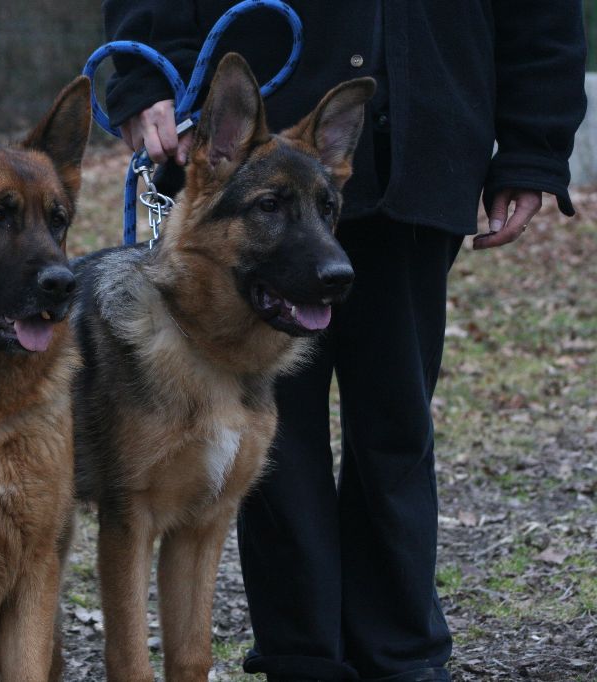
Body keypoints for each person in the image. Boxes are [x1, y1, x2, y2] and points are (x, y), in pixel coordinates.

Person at [101, 2, 587, 681]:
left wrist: (534, 146)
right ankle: (302, 658)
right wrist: (145, 77)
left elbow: (543, 16)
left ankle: (400, 658)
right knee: (273, 447)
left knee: (396, 427)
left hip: (423, 152)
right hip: (247, 161)